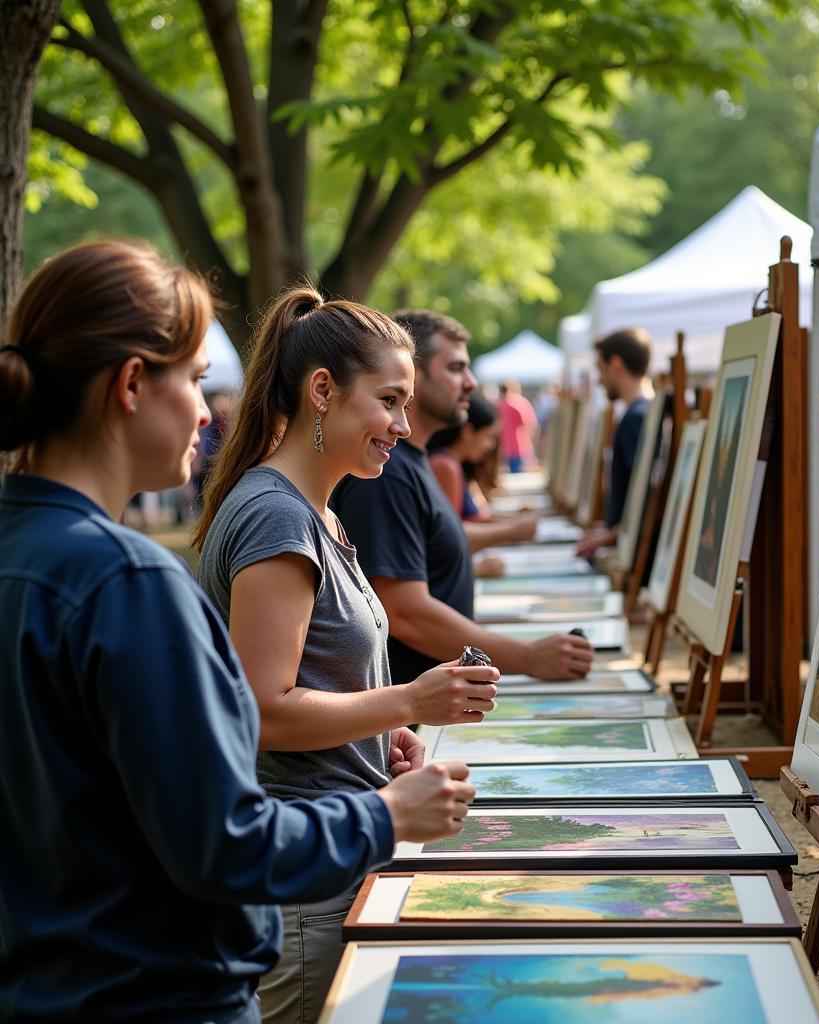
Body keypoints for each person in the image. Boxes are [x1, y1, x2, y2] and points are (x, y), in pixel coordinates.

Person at [0, 240, 475, 1024]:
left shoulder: (32, 555)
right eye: (193, 380)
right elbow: (224, 841)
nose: (203, 409)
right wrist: (388, 814)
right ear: (129, 386)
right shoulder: (128, 582)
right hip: (158, 992)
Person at [192, 289, 498, 1023]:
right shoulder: (277, 515)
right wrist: (409, 702)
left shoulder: (314, 508)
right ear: (322, 390)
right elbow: (264, 712)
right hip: (302, 882)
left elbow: (308, 679)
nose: (401, 424)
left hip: (330, 857)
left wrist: (380, 732)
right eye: (389, 401)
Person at [331, 309, 594, 685]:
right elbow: (406, 612)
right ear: (412, 375)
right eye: (455, 368)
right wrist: (528, 657)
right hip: (413, 722)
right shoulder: (385, 473)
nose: (470, 383)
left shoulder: (410, 463)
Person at [576, 327, 655, 558]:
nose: (600, 380)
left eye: (601, 369)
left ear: (616, 365)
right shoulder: (643, 413)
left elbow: (645, 501)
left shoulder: (635, 418)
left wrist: (609, 537)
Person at [427, 391, 539, 548]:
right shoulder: (444, 465)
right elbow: (450, 534)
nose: (490, 445)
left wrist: (514, 523)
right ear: (468, 432)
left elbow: (473, 519)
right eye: (488, 436)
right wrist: (511, 529)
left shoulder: (455, 464)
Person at [496, 378, 536, 472]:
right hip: (522, 447)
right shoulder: (521, 403)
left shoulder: (499, 406)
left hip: (505, 448)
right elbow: (531, 425)